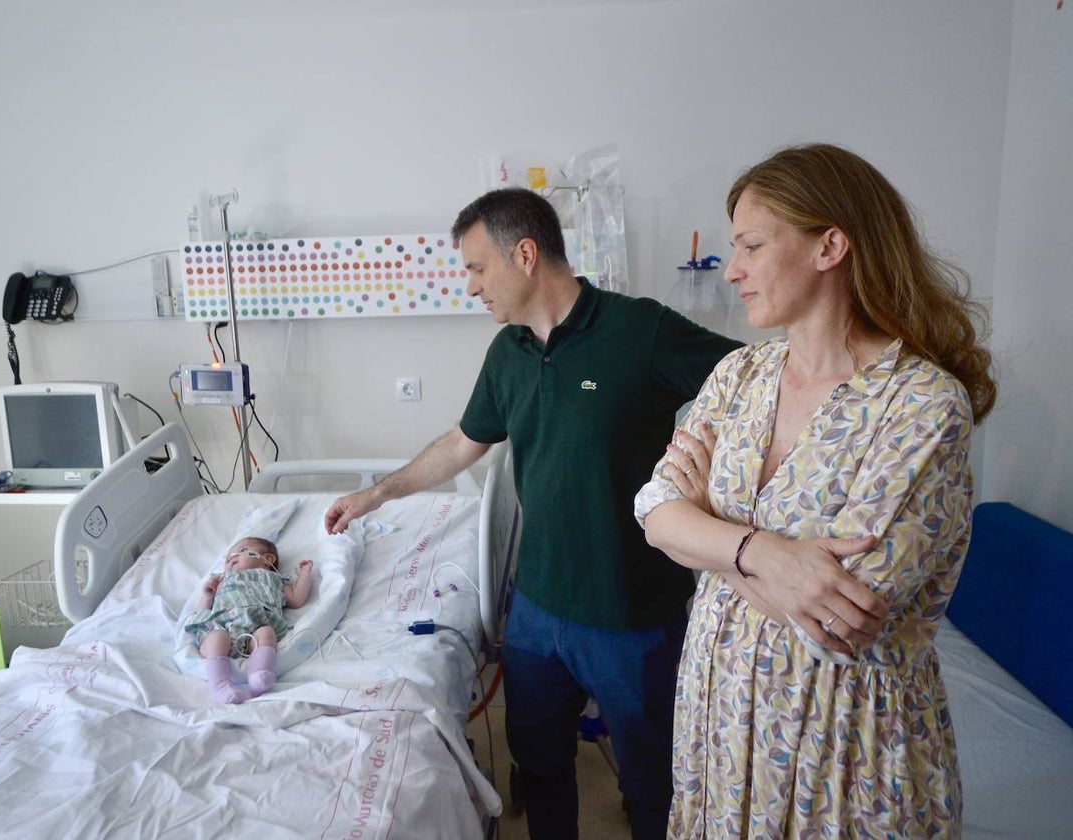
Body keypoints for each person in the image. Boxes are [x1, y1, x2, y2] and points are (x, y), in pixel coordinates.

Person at [324, 187, 740, 840]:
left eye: (476, 267)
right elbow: (464, 441)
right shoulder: (507, 355)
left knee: (653, 778)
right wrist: (378, 493)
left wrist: (708, 471)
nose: (471, 286)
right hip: (539, 611)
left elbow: (749, 385)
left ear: (524, 255)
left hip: (631, 612)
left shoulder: (639, 332)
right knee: (541, 766)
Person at [635, 143, 996, 838]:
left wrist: (703, 538)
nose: (733, 270)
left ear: (830, 245)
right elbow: (652, 510)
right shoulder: (740, 375)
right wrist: (767, 554)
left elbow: (839, 618)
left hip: (843, 745)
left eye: (752, 246)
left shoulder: (920, 404)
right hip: (720, 721)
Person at [182, 536, 314, 704]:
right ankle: (221, 686)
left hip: (258, 626)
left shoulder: (275, 580)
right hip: (222, 626)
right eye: (228, 559)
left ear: (268, 559)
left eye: (242, 551)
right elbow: (201, 612)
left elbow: (297, 599)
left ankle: (258, 674)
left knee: (267, 633)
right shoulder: (222, 580)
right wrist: (208, 594)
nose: (232, 558)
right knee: (217, 638)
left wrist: (305, 575)